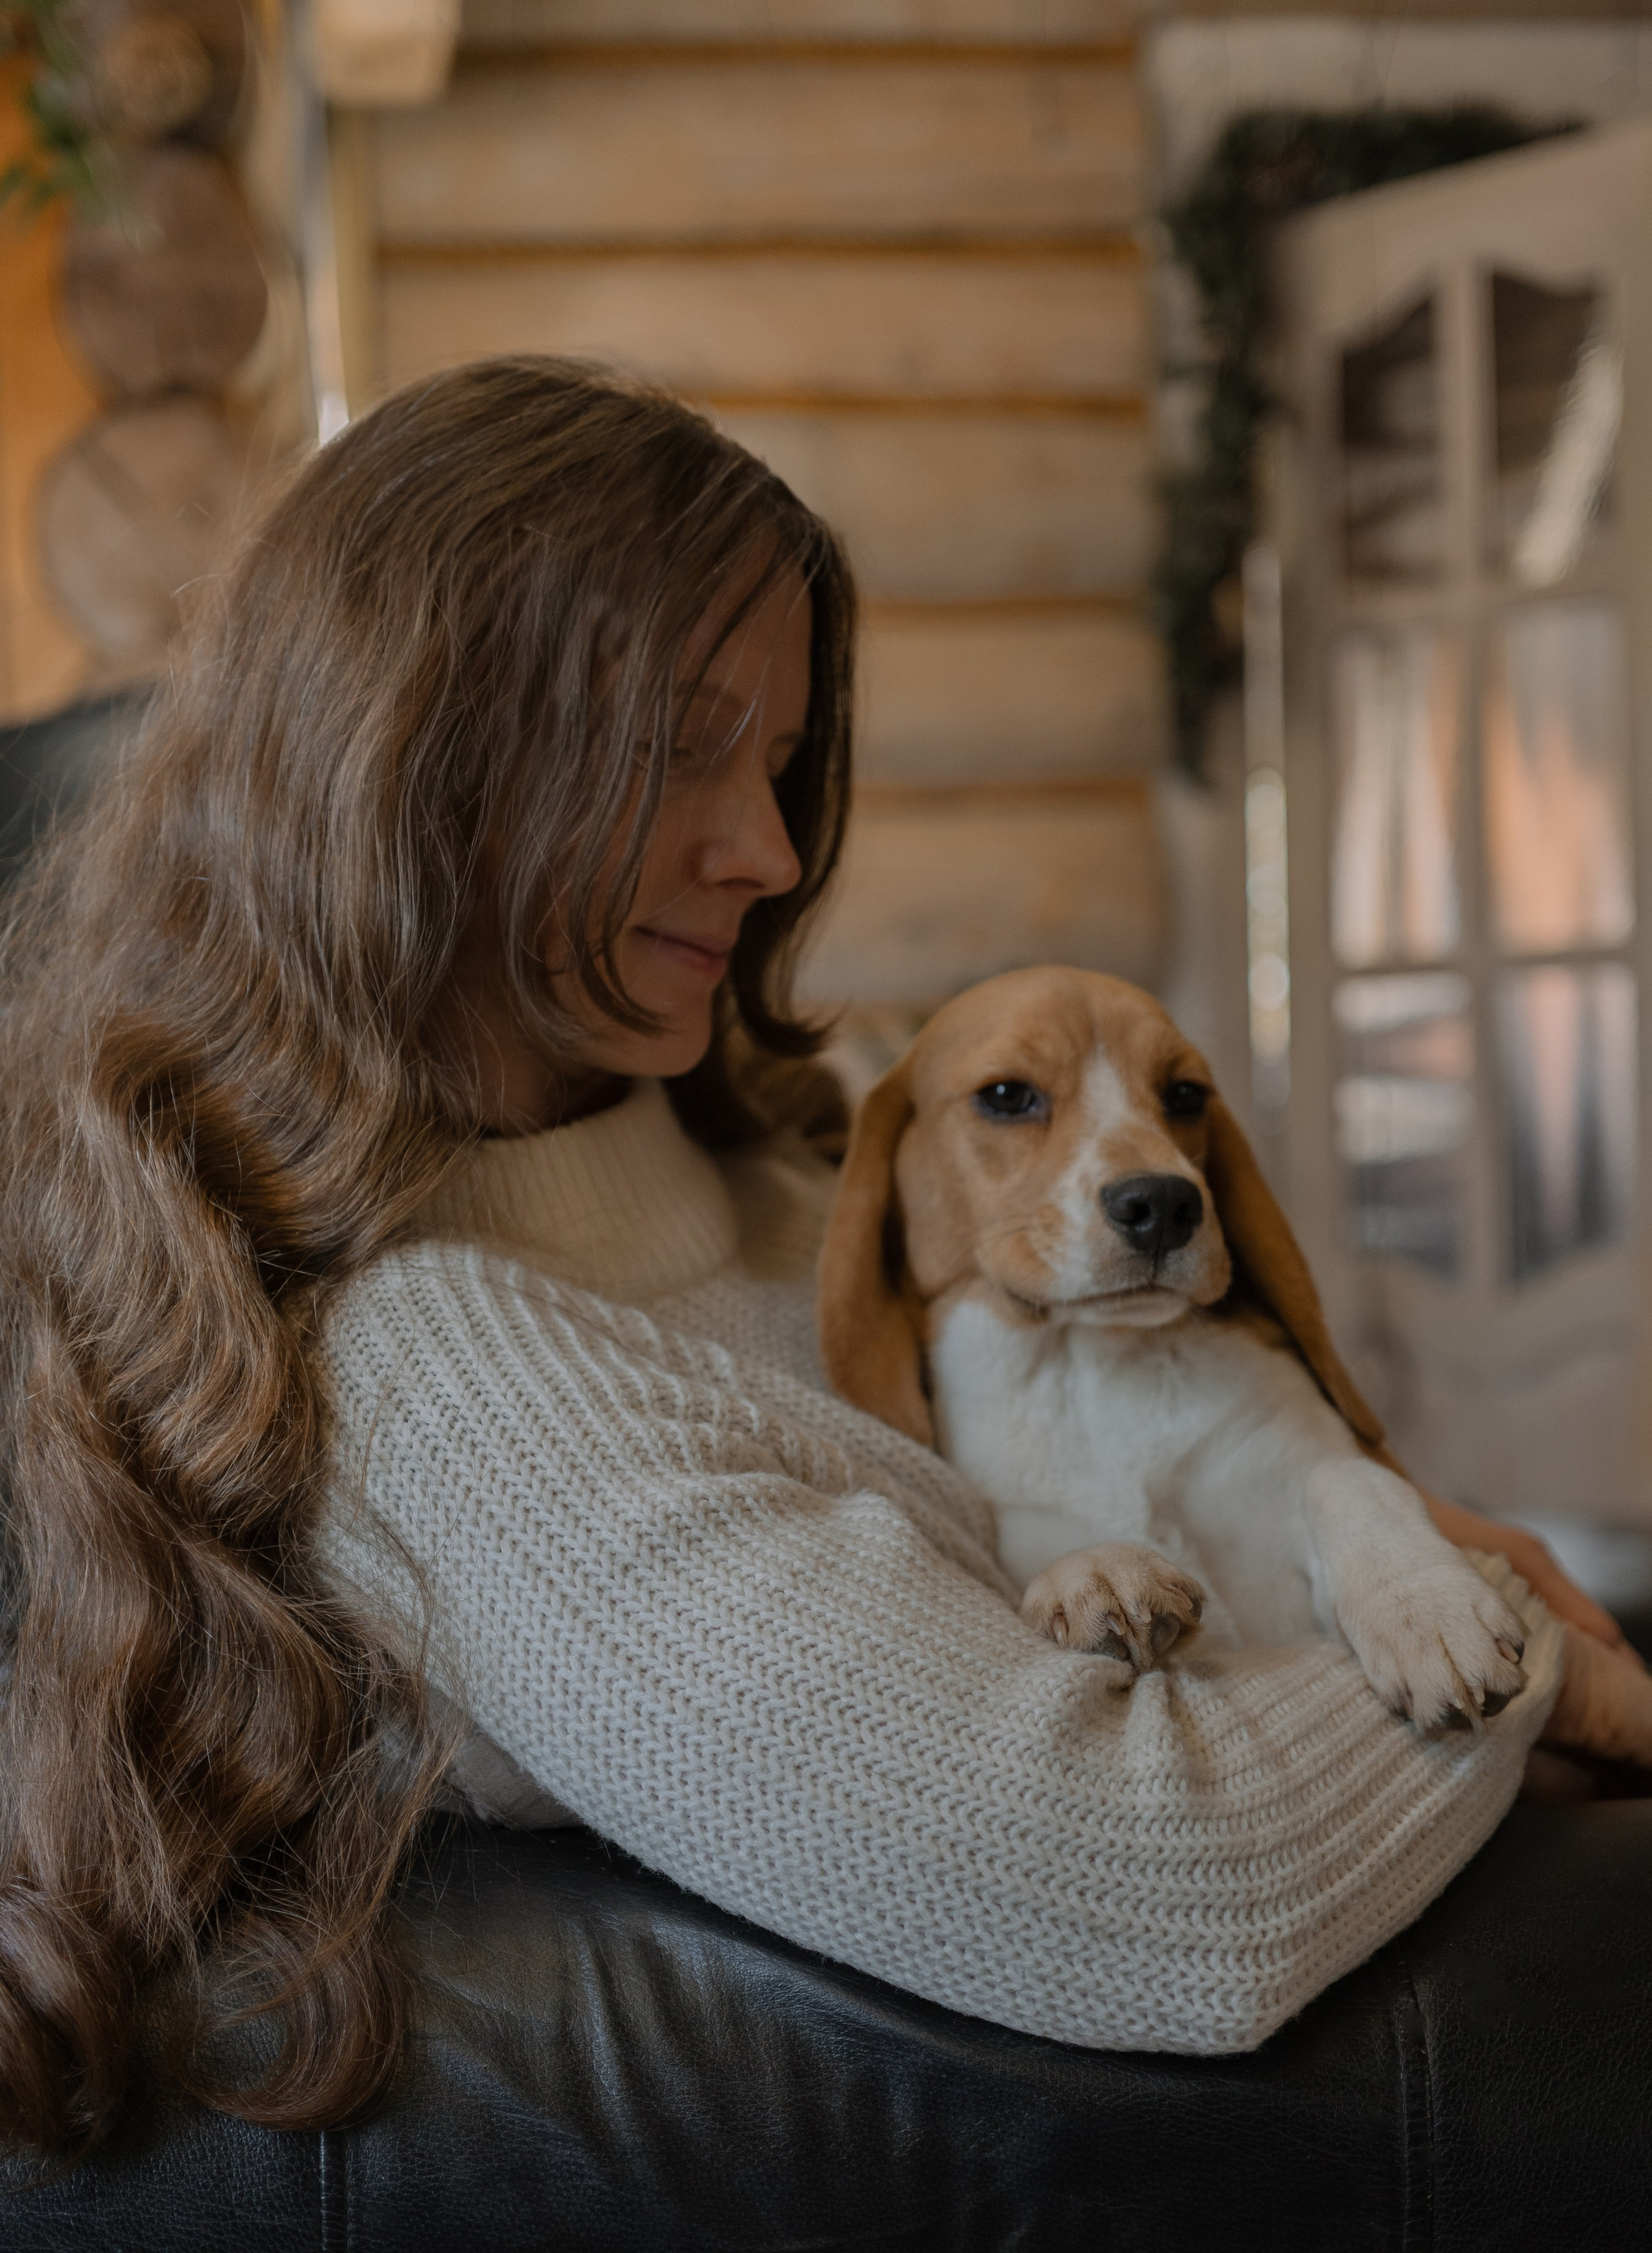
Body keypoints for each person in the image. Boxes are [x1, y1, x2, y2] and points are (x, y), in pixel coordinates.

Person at [0, 358, 1624, 2162]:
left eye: (778, 762)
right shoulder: (444, 1380)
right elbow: (1171, 1884)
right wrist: (1517, 1640)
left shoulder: (802, 1149)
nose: (771, 851)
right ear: (414, 762)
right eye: (686, 747)